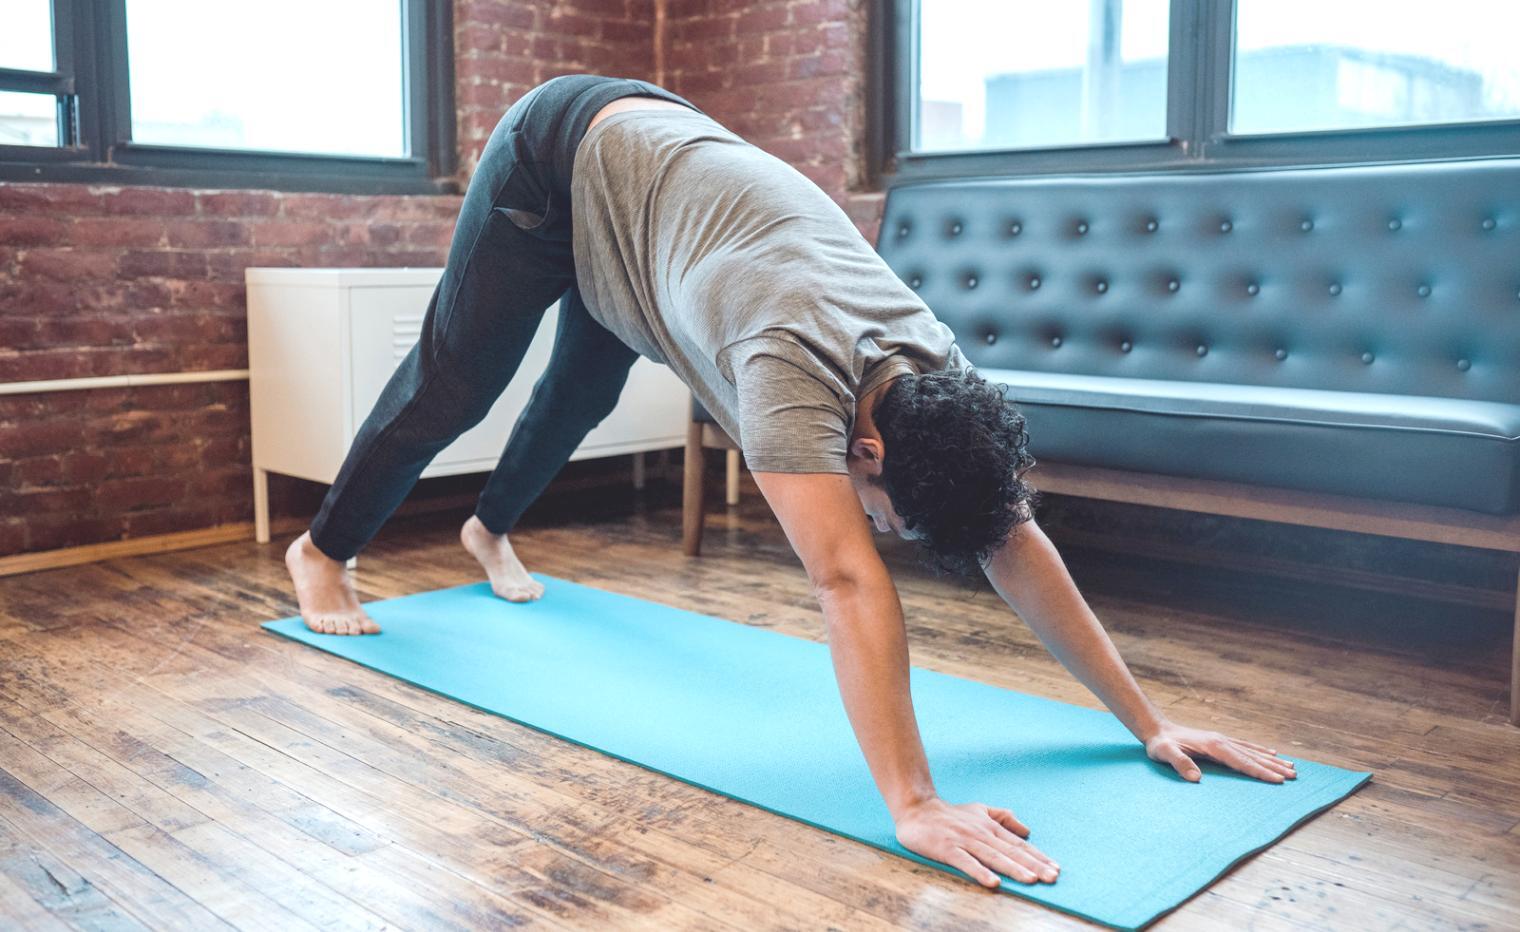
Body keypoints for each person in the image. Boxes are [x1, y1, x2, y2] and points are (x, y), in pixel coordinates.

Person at [283, 73, 1298, 891]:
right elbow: (845, 581)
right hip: (557, 159)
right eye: (889, 515)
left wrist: (1148, 720)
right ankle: (322, 548)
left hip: (661, 201)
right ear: (867, 455)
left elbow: (1009, 535)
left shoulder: (933, 367)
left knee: (578, 394)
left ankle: (487, 530)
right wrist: (913, 803)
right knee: (460, 382)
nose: (881, 528)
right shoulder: (787, 367)